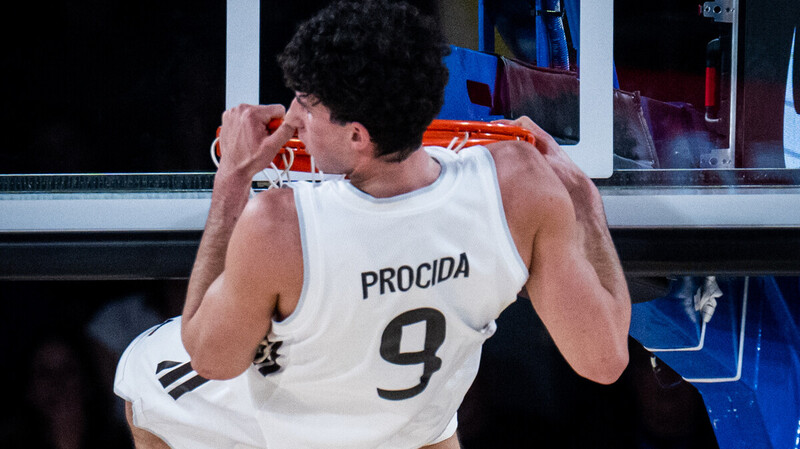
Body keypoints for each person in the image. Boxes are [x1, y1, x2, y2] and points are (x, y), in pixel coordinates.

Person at [114, 1, 631, 448]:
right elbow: (604, 360)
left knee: (142, 380)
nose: (294, 116)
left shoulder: (279, 225)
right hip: (418, 424)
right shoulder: (520, 183)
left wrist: (231, 186)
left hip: (312, 431)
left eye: (309, 106)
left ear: (359, 135)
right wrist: (585, 199)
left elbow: (211, 359)